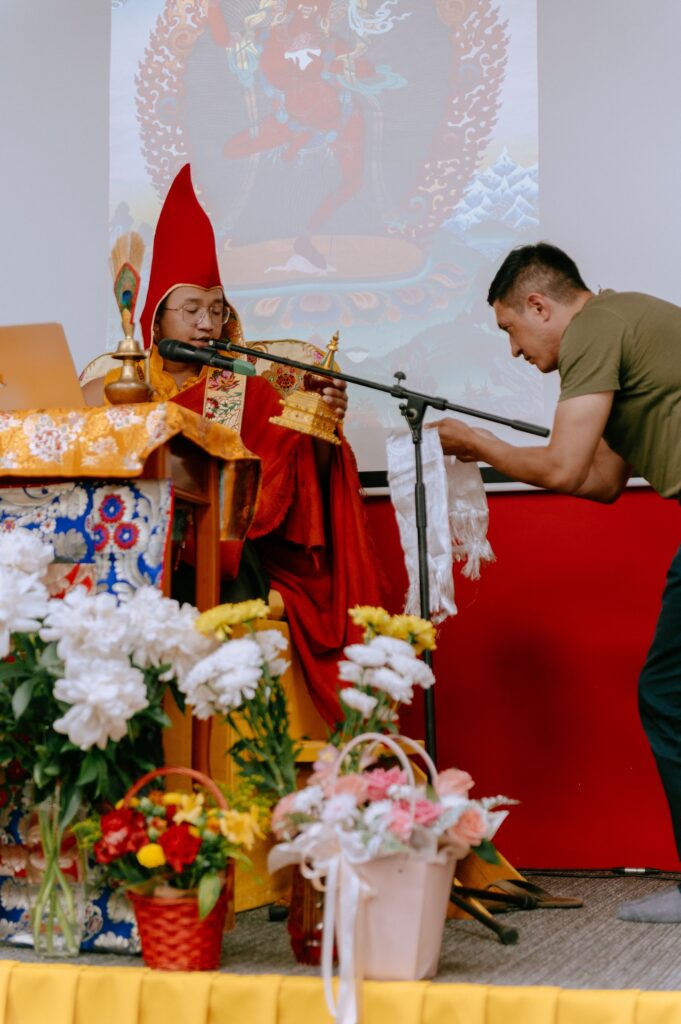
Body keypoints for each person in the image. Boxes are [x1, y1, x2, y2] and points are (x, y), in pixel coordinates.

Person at [432, 242, 681, 922]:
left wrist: (478, 444)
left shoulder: (594, 329)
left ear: (539, 306)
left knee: (667, 693)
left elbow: (567, 468)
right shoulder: (623, 328)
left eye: (510, 328)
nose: (514, 351)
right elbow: (601, 482)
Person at [83, 163, 383, 724]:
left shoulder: (246, 388)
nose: (206, 325)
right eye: (191, 310)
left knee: (221, 557)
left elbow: (293, 482)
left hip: (223, 558)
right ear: (155, 317)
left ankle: (212, 721)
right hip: (130, 544)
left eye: (216, 310)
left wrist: (322, 425)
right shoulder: (121, 386)